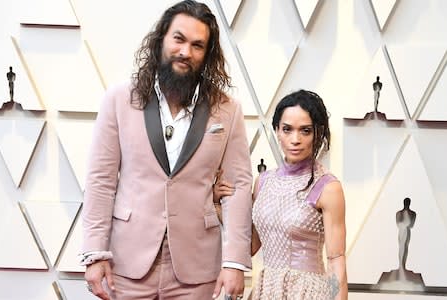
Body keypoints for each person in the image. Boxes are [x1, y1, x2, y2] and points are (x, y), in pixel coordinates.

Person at [80, 1, 253, 299]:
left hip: (197, 267)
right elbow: (101, 179)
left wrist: (235, 261)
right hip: (127, 261)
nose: (186, 52)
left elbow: (238, 186)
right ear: (162, 39)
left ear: (207, 54)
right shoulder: (119, 99)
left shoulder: (227, 110)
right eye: (179, 39)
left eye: (198, 45)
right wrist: (95, 253)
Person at [215, 90, 347, 299]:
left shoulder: (328, 187)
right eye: (287, 129)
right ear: (277, 130)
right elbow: (250, 246)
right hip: (266, 289)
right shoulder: (263, 181)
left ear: (317, 133)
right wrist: (219, 208)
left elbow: (336, 259)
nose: (295, 139)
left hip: (307, 292)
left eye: (305, 131)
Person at [396, 197, 416, 272]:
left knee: (405, 247)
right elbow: (397, 223)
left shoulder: (413, 213)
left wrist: (405, 224)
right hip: (401, 230)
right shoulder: (399, 213)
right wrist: (404, 224)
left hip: (407, 231)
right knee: (401, 247)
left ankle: (403, 265)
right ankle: (400, 265)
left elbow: (412, 225)